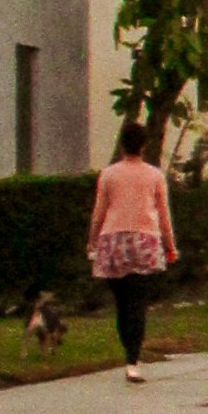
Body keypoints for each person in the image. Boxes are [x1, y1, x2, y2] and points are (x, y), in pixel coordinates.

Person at [87, 120, 176, 381]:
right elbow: (163, 214)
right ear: (145, 145)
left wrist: (92, 241)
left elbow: (99, 212)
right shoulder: (154, 176)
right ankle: (132, 360)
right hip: (144, 240)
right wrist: (170, 246)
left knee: (122, 302)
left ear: (122, 144)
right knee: (138, 301)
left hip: (113, 240)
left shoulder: (109, 174)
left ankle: (128, 349)